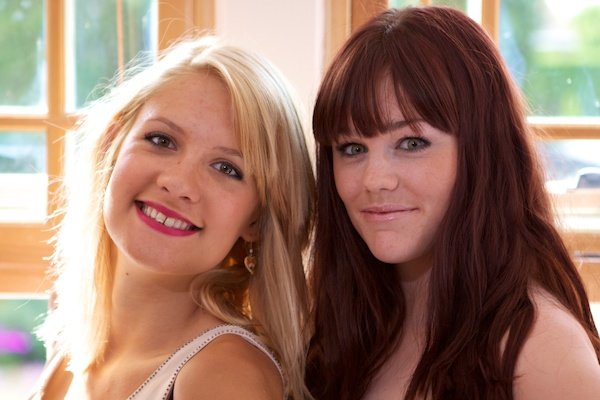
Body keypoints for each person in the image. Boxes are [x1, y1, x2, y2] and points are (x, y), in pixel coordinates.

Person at [306, 6, 600, 400]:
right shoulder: (347, 321)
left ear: (483, 152)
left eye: (412, 143)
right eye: (352, 147)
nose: (374, 180)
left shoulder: (540, 350)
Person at [30, 35, 315, 399]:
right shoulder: (73, 356)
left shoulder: (226, 377)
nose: (179, 183)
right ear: (110, 147)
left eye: (227, 168)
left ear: (256, 221)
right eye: (162, 140)